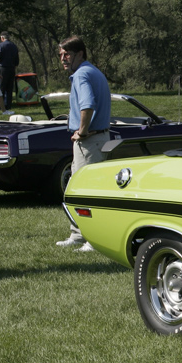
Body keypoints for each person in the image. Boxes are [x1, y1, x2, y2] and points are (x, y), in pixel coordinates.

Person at [55, 36, 111, 252]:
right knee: (75, 190)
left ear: (80, 53)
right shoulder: (91, 72)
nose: (63, 58)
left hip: (90, 141)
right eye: (61, 55)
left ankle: (93, 240)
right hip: (95, 140)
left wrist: (82, 131)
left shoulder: (81, 74)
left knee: (87, 192)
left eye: (67, 54)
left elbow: (87, 105)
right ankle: (78, 234)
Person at [0, 31, 19, 114]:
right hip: (12, 68)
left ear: (2, 38)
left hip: (3, 68)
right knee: (9, 88)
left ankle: (0, 106)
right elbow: (17, 58)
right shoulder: (14, 46)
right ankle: (8, 105)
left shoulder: (1, 45)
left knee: (2, 87)